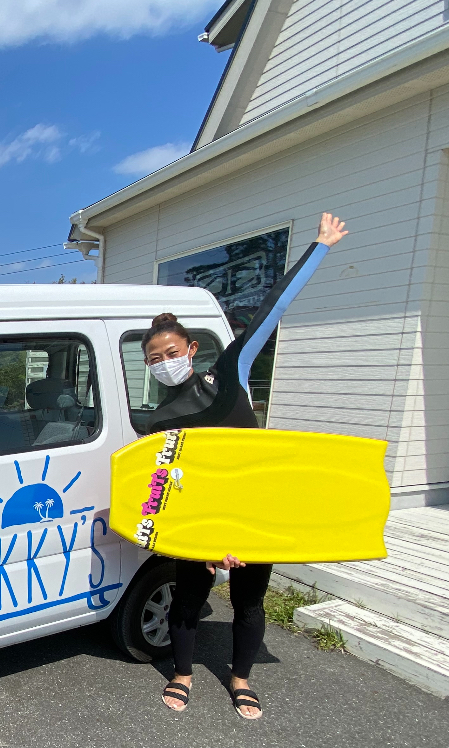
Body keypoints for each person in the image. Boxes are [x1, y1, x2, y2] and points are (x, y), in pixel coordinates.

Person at [142, 212, 349, 720]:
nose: (164, 361)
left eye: (170, 351)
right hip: (203, 517)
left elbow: (270, 308)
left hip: (255, 509)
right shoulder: (160, 418)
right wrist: (205, 539)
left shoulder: (230, 373)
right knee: (188, 599)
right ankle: (183, 674)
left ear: (191, 349)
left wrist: (319, 247)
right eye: (153, 358)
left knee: (249, 603)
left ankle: (240, 680)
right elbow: (169, 479)